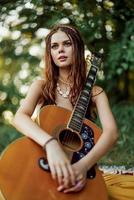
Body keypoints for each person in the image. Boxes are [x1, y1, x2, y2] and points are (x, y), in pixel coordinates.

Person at [13, 24, 118, 194]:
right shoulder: (42, 86)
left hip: (80, 166)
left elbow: (111, 133)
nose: (60, 50)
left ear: (77, 48)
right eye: (55, 46)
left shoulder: (95, 92)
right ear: (50, 54)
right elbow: (19, 117)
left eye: (67, 44)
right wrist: (51, 144)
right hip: (45, 161)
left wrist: (83, 166)